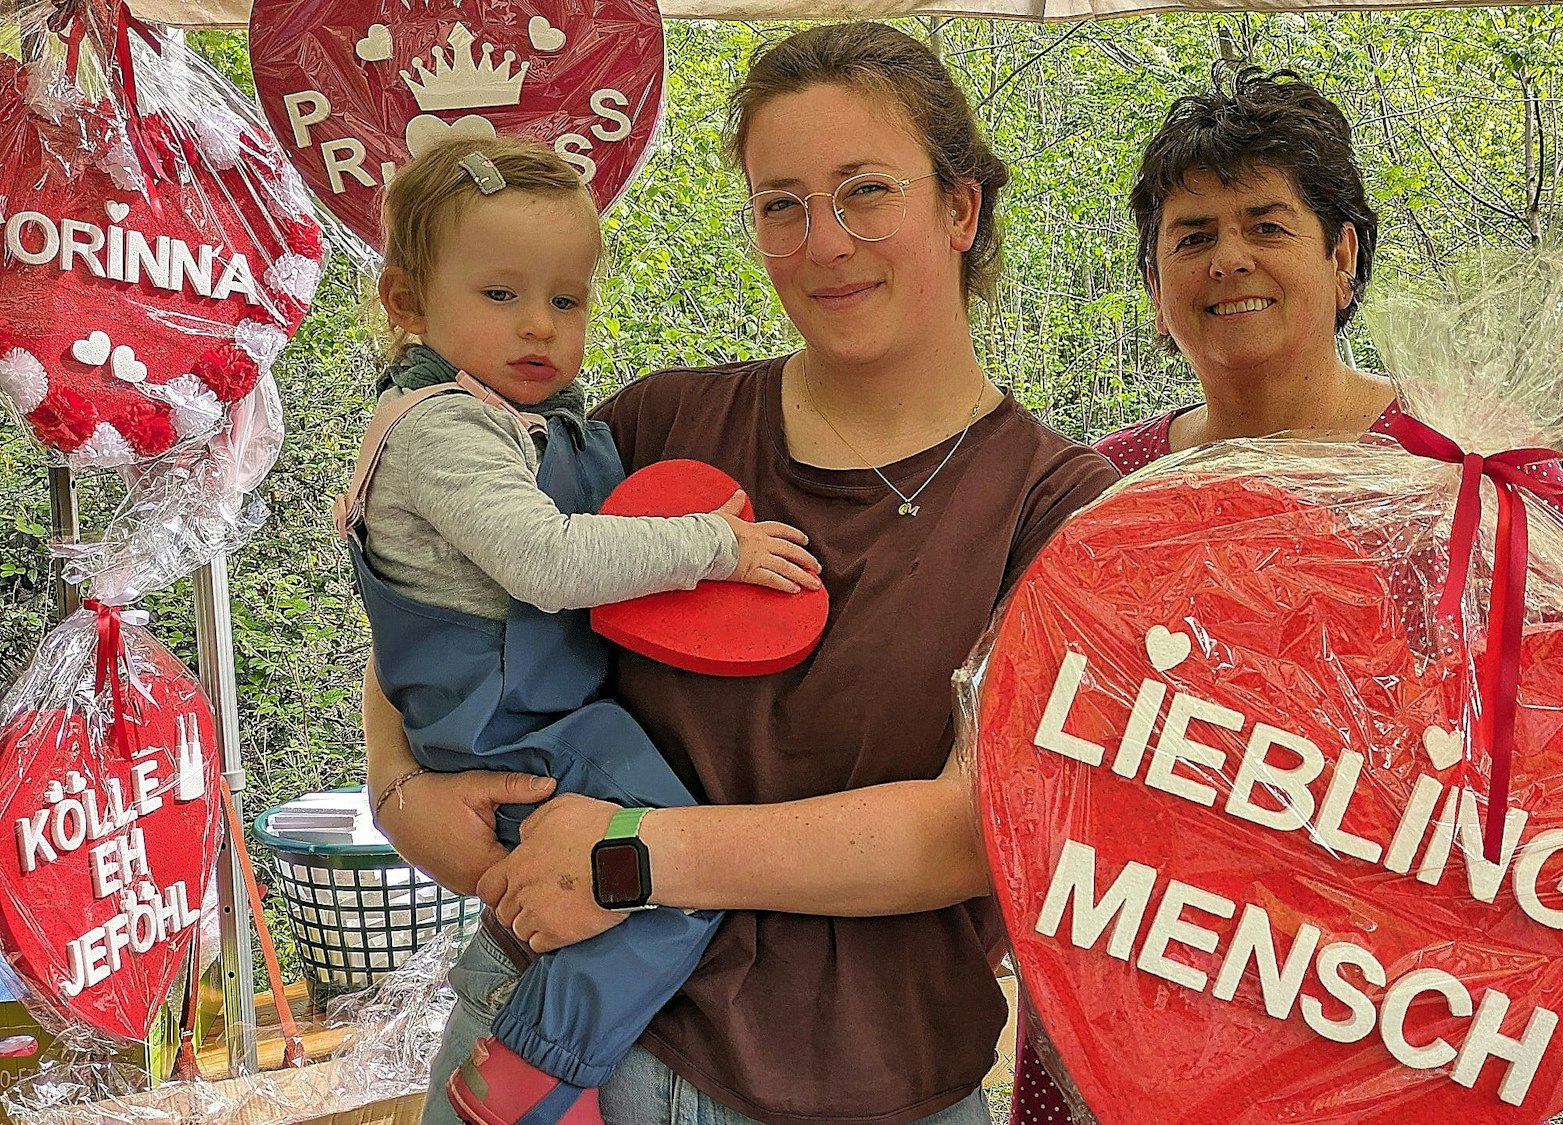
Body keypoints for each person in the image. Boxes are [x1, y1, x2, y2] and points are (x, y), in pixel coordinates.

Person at [1008, 69, 1563, 1125]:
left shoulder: (1463, 461)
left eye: (1266, 224)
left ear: (1341, 254)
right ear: (1152, 276)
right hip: (1139, 990)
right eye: (1189, 235)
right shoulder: (1101, 489)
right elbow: (1036, 752)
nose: (1227, 259)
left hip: (1396, 1019)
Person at [361, 24, 1120, 1125]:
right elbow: (438, 594)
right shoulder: (663, 426)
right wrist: (401, 795)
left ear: (959, 209)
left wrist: (634, 857)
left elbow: (969, 828)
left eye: (864, 191)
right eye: (781, 203)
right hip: (561, 1059)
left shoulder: (1053, 506)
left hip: (872, 1087)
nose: (824, 241)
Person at [344, 135, 820, 1125]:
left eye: (565, 301)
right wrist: (713, 548)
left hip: (546, 713)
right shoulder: (442, 429)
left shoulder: (526, 420)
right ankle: (531, 1076)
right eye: (500, 295)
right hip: (515, 726)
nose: (539, 327)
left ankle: (540, 1062)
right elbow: (550, 563)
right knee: (670, 871)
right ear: (405, 302)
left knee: (647, 871)